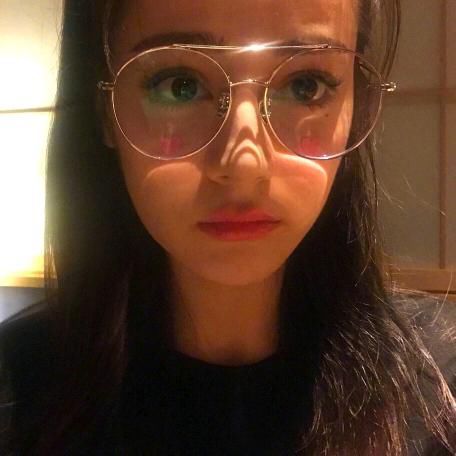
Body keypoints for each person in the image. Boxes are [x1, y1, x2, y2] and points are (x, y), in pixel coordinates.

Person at [0, 0, 455, 454]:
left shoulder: (439, 385)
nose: (243, 166)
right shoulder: (17, 391)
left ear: (355, 103)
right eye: (180, 85)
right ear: (104, 110)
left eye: (305, 85)